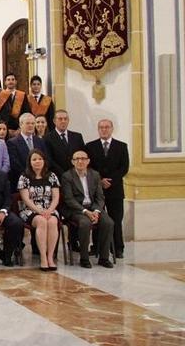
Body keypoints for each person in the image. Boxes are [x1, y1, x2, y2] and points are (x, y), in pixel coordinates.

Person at [61, 150, 115, 269]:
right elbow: (69, 199)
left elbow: (100, 197)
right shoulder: (67, 176)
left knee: (108, 222)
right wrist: (85, 212)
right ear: (72, 162)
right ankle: (84, 258)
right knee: (85, 223)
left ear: (88, 161)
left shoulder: (95, 175)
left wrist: (96, 211)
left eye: (83, 158)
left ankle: (104, 258)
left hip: (93, 207)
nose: (80, 161)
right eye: (77, 159)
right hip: (76, 209)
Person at [85, 119, 129, 258]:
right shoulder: (90, 146)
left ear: (112, 129)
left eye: (107, 127)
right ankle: (96, 246)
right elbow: (89, 167)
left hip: (115, 189)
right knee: (97, 217)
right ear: (98, 129)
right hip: (97, 189)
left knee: (116, 219)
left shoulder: (121, 146)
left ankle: (118, 247)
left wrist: (110, 181)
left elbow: (124, 167)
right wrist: (100, 180)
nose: (104, 129)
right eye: (101, 127)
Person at [17, 149, 61, 271]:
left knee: (52, 222)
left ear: (44, 161)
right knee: (41, 221)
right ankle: (43, 257)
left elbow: (56, 197)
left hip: (49, 209)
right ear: (30, 162)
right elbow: (26, 199)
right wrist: (40, 211)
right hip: (30, 210)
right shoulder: (24, 177)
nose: (37, 161)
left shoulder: (52, 176)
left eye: (40, 159)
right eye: (34, 159)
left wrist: (49, 210)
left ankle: (50, 257)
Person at [8, 113, 48, 192]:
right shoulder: (12, 143)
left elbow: (46, 159)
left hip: (40, 181)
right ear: (20, 124)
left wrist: (39, 175)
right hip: (22, 182)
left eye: (33, 123)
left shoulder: (40, 141)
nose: (31, 125)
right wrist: (30, 176)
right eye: (28, 123)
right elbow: (15, 164)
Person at [44, 110, 86, 176]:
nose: (63, 121)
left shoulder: (77, 136)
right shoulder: (47, 138)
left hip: (76, 174)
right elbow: (49, 159)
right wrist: (64, 174)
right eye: (60, 119)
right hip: (57, 175)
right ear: (54, 121)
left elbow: (82, 155)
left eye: (65, 119)